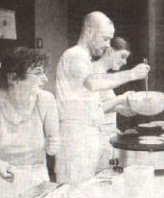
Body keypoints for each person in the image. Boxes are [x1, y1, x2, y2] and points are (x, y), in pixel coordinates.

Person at [55, 11, 150, 185]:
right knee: (77, 190)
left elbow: (93, 104)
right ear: (90, 32)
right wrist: (131, 74)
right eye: (105, 39)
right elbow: (92, 83)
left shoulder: (85, 58)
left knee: (90, 188)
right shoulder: (74, 54)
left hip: (88, 134)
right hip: (75, 138)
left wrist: (121, 104)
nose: (107, 45)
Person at [0, 47, 59, 198]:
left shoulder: (46, 100)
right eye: (38, 73)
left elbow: (54, 142)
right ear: (13, 78)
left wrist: (54, 145)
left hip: (36, 176)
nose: (45, 79)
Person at [93, 37, 138, 170]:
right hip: (97, 140)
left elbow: (103, 105)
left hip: (107, 137)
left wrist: (119, 109)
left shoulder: (103, 74)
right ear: (110, 51)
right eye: (122, 56)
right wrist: (120, 99)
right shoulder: (94, 73)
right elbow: (94, 110)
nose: (124, 62)